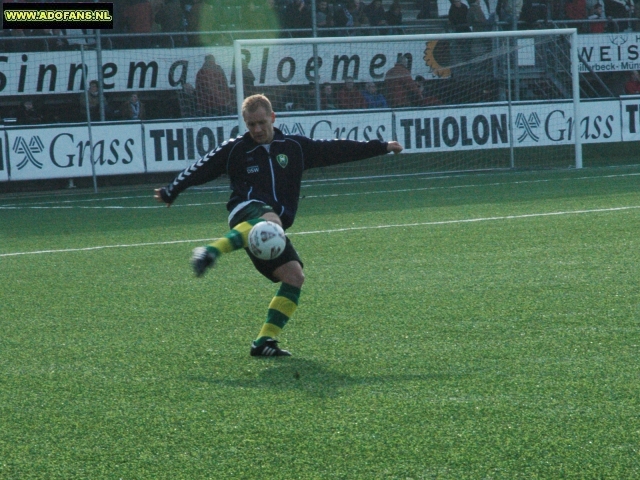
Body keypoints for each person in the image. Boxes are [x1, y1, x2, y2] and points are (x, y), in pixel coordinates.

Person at [154, 94, 403, 357]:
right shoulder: (235, 149)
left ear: (273, 118)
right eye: (251, 125)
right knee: (270, 219)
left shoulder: (294, 147)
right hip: (245, 212)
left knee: (294, 277)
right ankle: (211, 251)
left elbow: (336, 148)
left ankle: (264, 342)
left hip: (272, 227)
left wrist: (381, 146)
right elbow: (200, 168)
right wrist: (172, 190)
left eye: (261, 123)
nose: (257, 130)